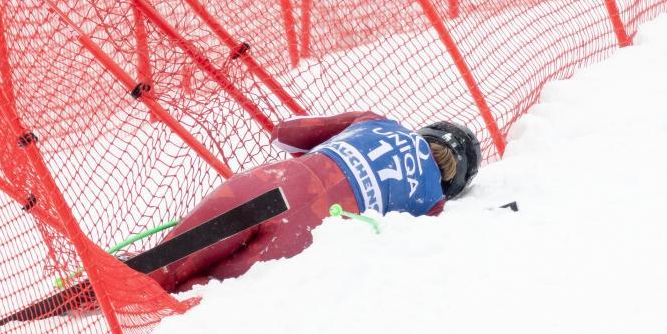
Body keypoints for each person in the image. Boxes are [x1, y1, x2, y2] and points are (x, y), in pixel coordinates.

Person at [152, 111, 481, 293]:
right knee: (199, 294)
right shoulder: (433, 203)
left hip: (272, 188)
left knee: (159, 266)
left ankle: (110, 285)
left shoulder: (378, 122)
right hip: (304, 236)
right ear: (455, 183)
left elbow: (286, 132)